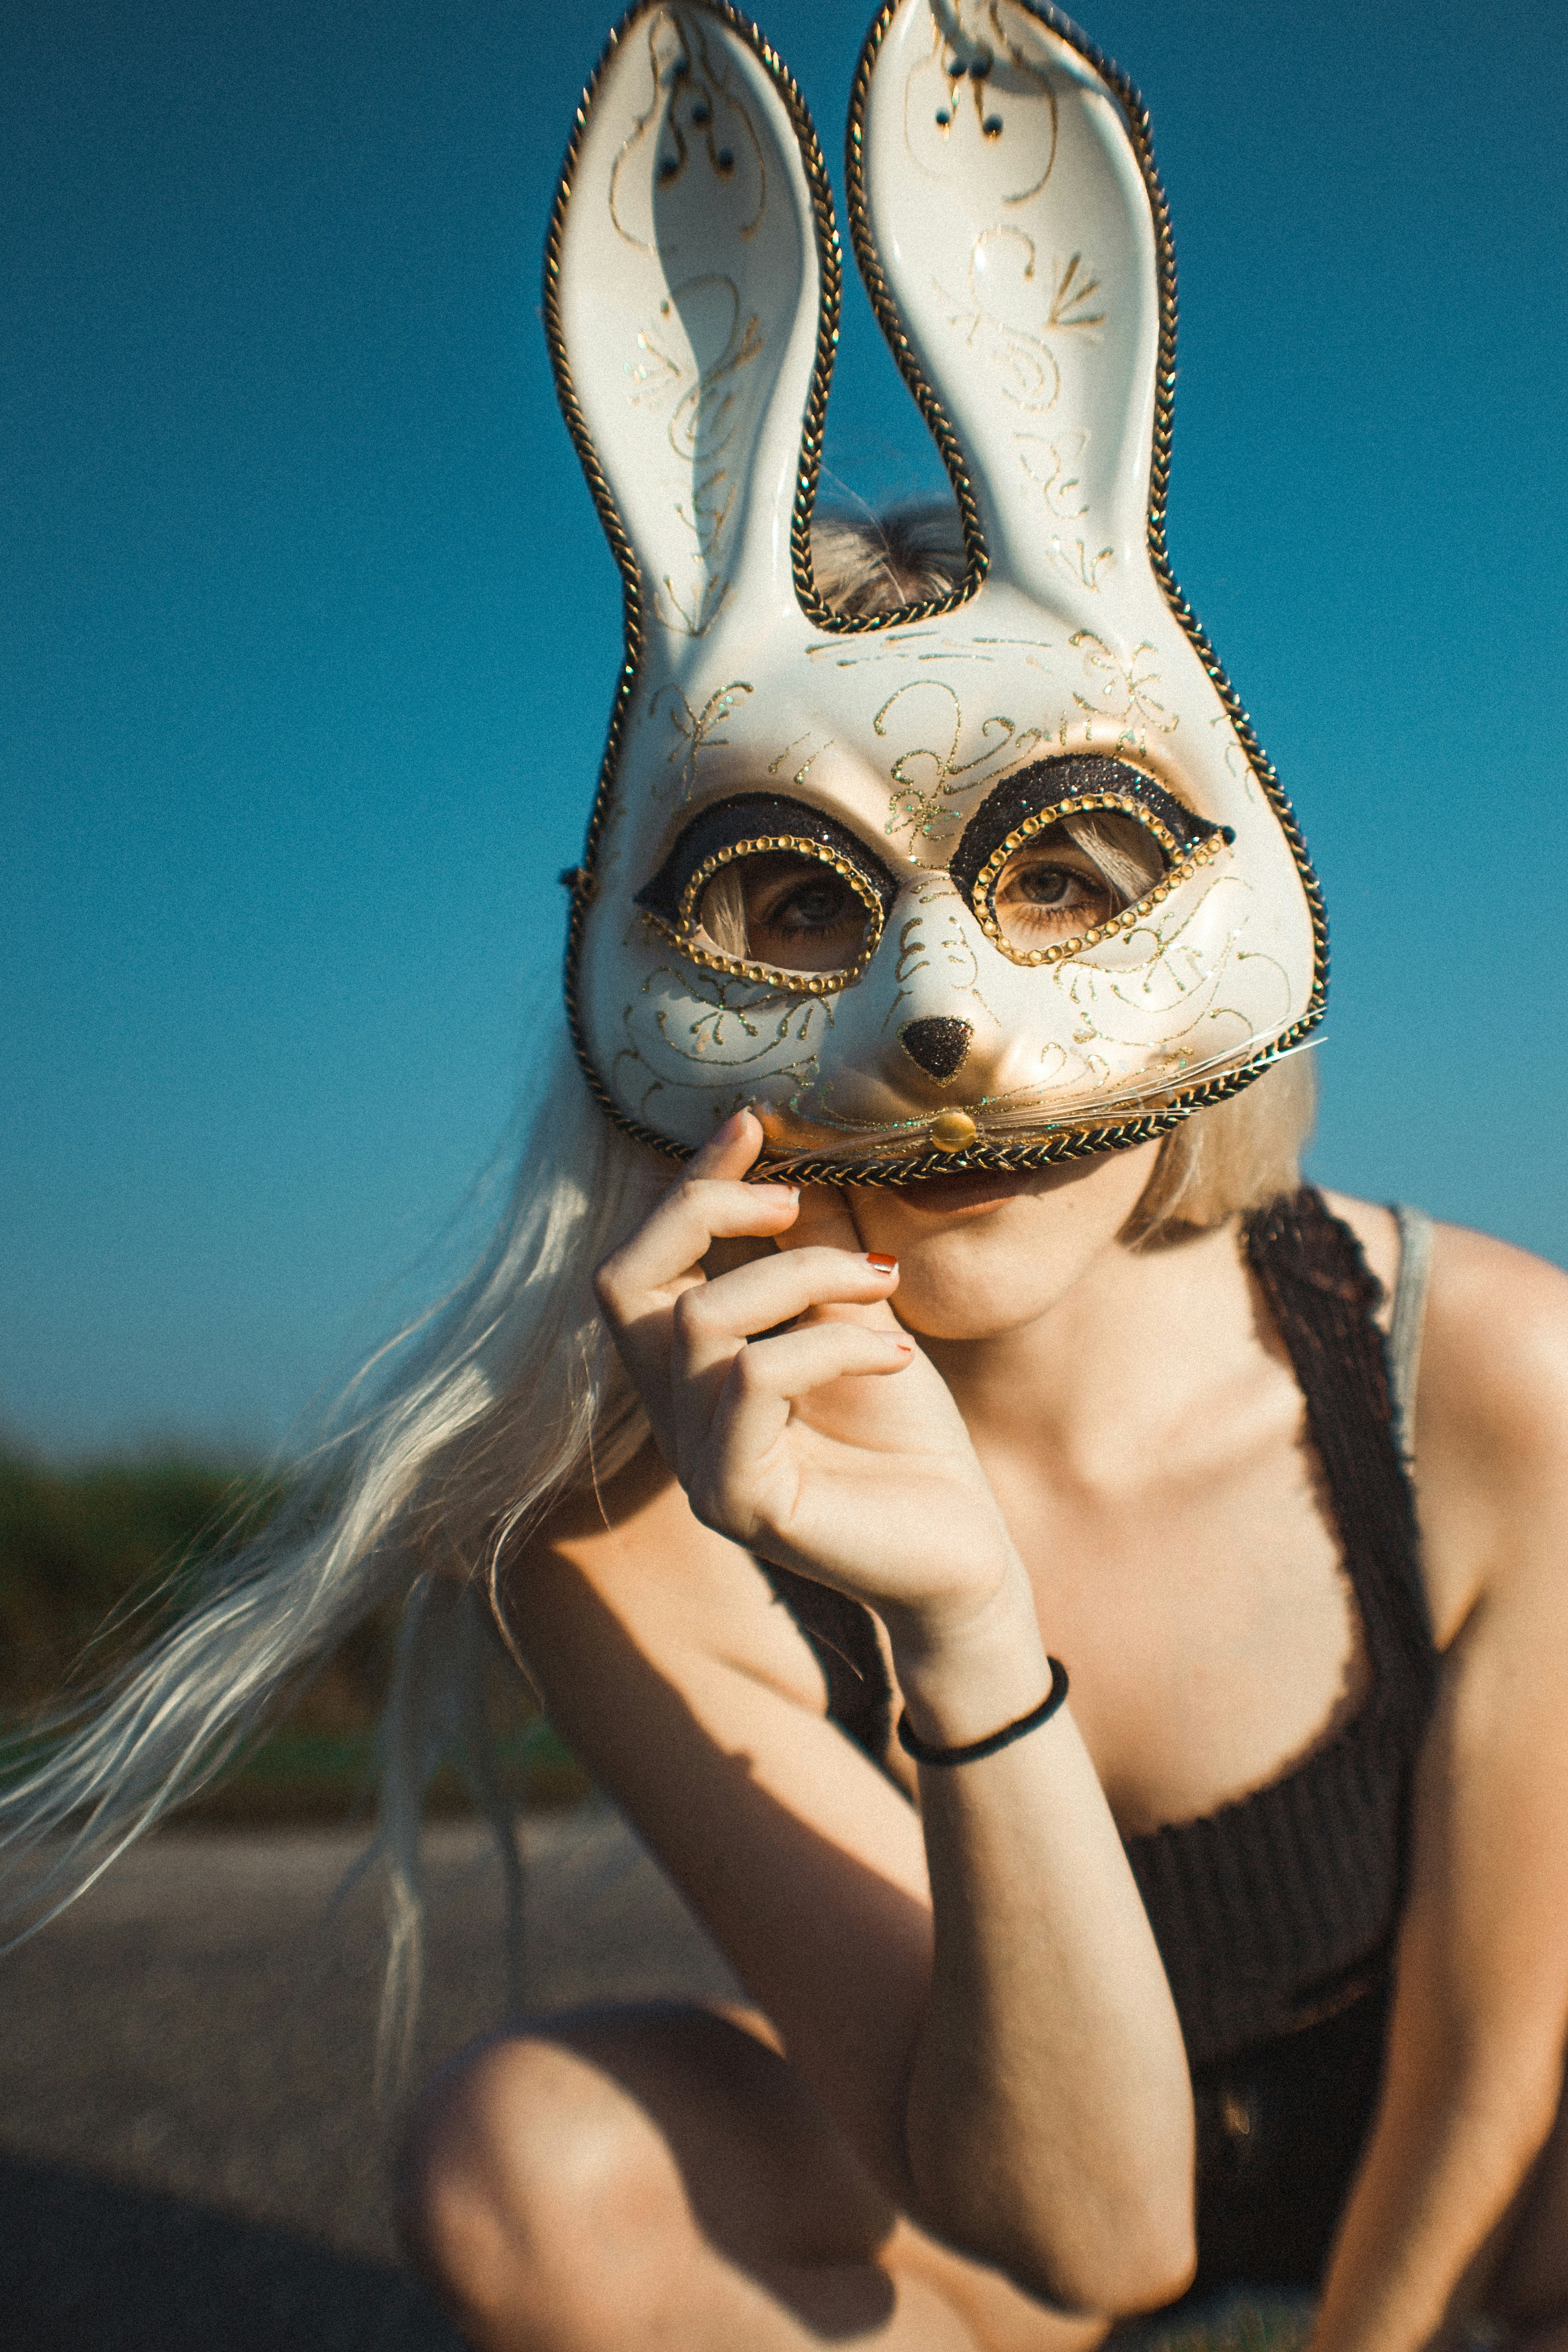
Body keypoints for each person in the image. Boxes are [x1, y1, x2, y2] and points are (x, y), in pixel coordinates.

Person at [7, 2, 1568, 2346]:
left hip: (1469, 2265)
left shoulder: (1492, 1376)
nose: (942, 1027)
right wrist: (956, 1630)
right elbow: (1093, 2238)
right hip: (1016, 2254)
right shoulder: (603, 1529)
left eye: (1067, 869)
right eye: (793, 906)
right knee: (539, 2166)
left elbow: (1501, 2025)